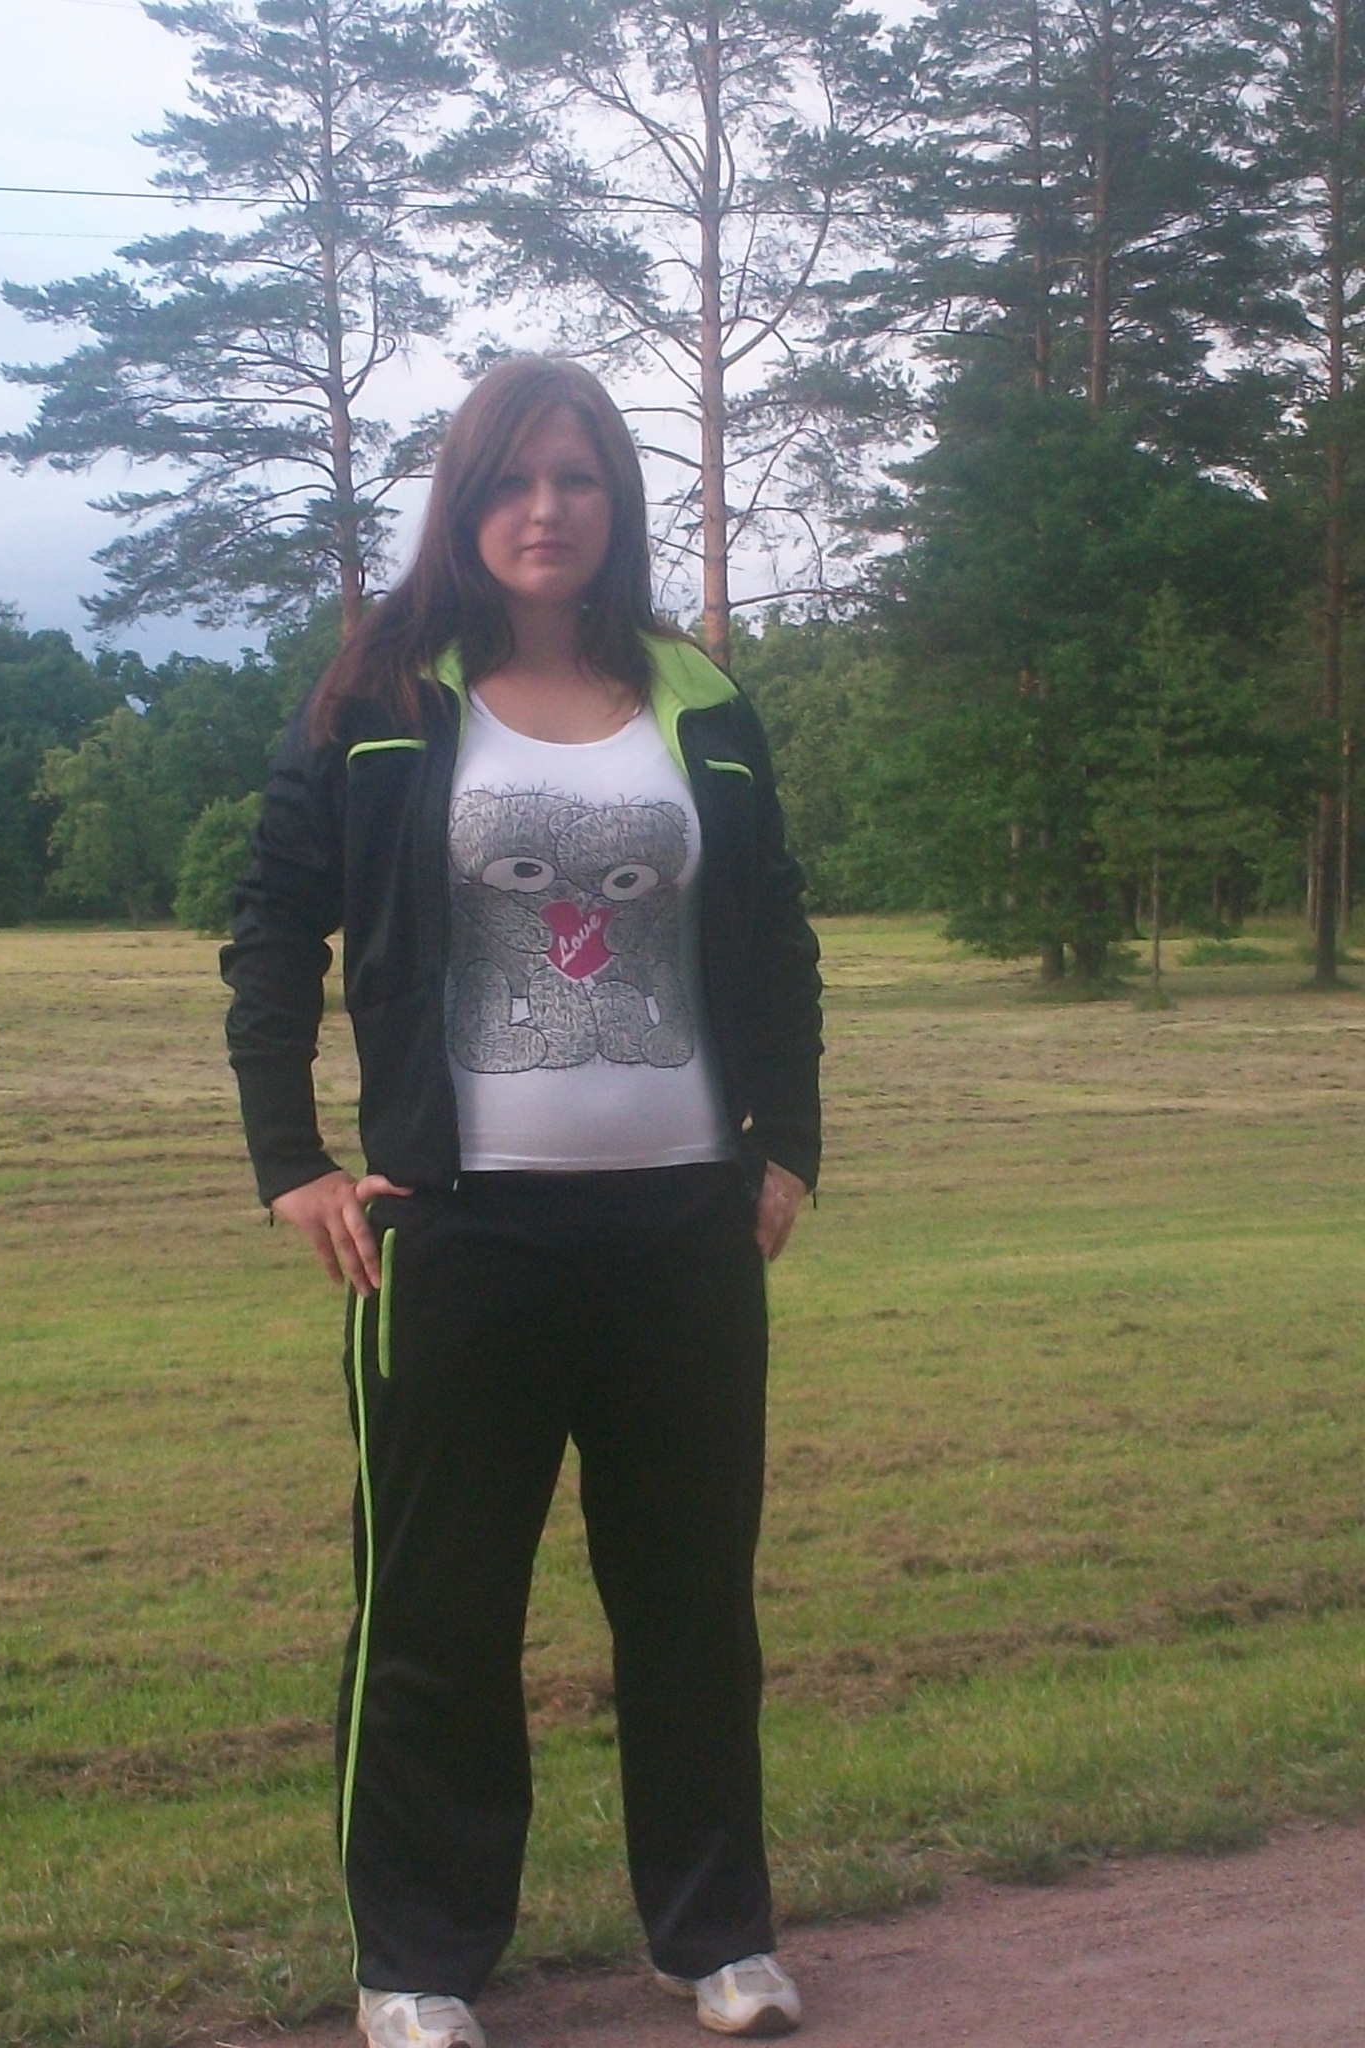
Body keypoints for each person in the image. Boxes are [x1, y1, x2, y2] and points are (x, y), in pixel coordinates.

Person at [222, 356, 822, 2048]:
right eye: (510, 480)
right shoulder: (381, 698)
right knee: (437, 1613)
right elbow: (271, 934)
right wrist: (291, 1163)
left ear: (615, 502)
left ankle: (717, 1938)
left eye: (576, 479)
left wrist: (788, 1145)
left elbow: (776, 932)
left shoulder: (699, 697)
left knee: (693, 1604)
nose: (545, 510)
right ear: (464, 504)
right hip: (458, 1234)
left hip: (684, 1233)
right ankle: (417, 1965)